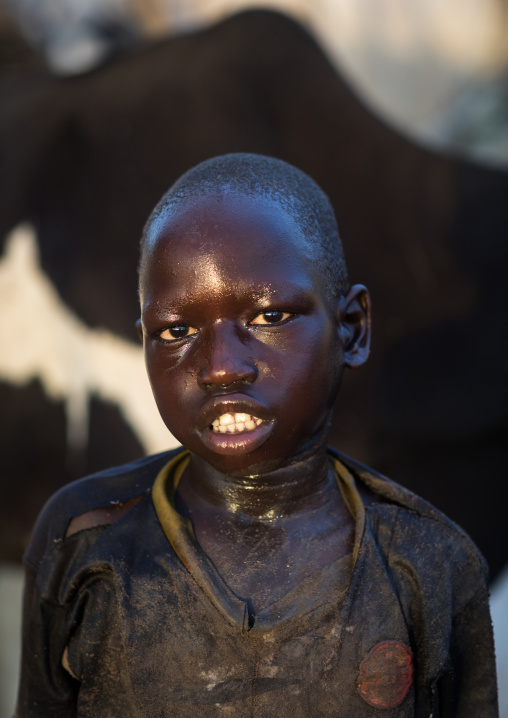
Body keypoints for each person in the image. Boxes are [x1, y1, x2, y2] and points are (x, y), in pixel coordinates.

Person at [16, 154, 498, 717]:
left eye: (268, 318)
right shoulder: (83, 537)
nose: (221, 368)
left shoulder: (427, 563)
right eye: (176, 330)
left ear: (351, 329)